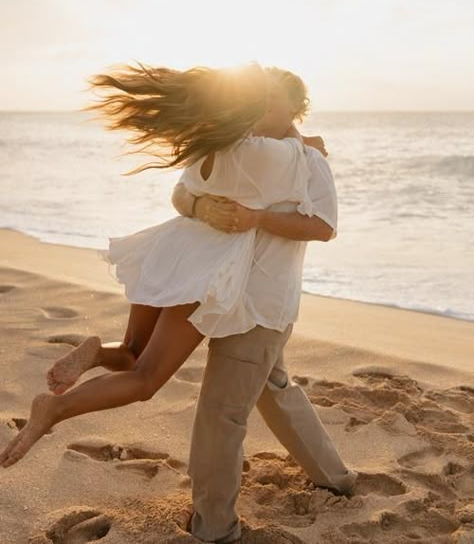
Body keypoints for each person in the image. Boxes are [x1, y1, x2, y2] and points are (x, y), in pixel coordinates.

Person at [0, 61, 316, 470]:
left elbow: (181, 195)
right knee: (146, 379)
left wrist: (199, 203)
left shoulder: (204, 142)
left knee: (132, 353)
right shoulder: (263, 155)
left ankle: (98, 353)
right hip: (201, 270)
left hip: (167, 250)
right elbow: (301, 154)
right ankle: (55, 410)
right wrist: (299, 133)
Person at [171, 69, 358, 542]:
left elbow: (323, 226)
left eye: (267, 102)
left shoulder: (308, 161)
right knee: (274, 388)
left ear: (292, 110)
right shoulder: (238, 144)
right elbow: (182, 189)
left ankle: (214, 527)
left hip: (261, 303)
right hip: (227, 296)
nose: (255, 110)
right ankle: (335, 479)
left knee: (221, 412)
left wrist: (258, 218)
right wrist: (198, 208)